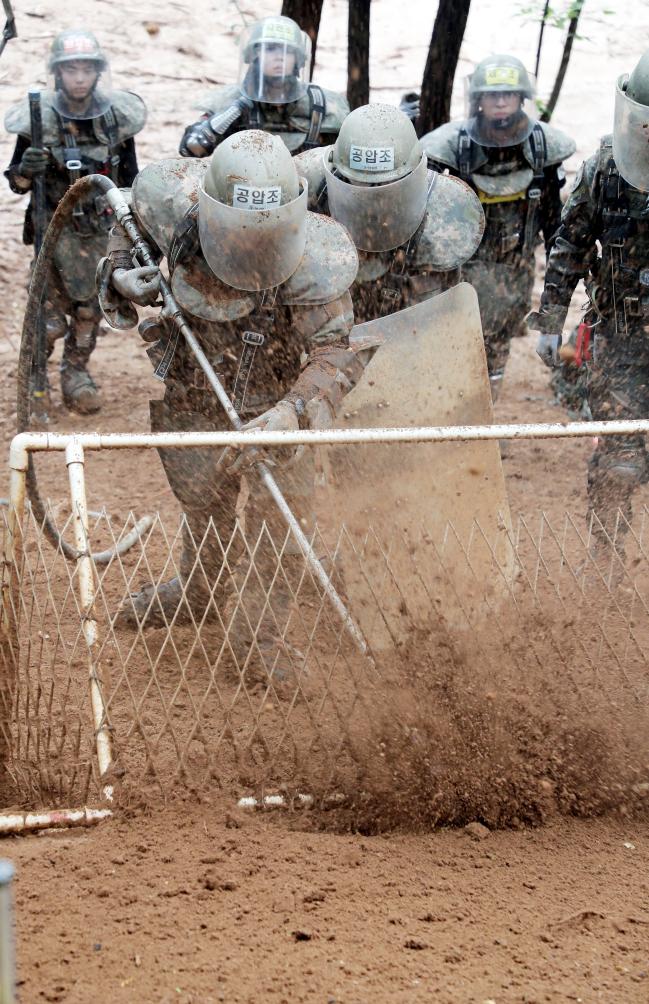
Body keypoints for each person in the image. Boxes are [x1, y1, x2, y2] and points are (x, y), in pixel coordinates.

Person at [99, 131, 360, 679]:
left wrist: (294, 411)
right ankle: (199, 592)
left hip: (278, 398)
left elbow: (337, 354)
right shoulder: (172, 206)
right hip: (198, 382)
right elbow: (127, 222)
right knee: (203, 497)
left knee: (281, 520)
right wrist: (122, 277)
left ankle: (257, 638)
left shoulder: (316, 261)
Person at [530, 51, 649, 548]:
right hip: (619, 338)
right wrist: (551, 318)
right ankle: (604, 559)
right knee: (618, 457)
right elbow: (571, 243)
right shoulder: (605, 167)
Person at [4, 28, 146, 414]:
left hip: (98, 234)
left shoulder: (116, 120)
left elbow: (130, 180)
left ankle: (76, 374)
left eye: (86, 69)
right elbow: (17, 183)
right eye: (71, 70)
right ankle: (35, 381)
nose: (79, 77)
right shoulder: (39, 119)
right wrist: (24, 170)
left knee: (88, 313)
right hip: (53, 232)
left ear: (98, 72)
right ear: (57, 74)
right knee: (48, 318)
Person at [420, 54, 575, 400]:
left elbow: (558, 234)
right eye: (492, 94)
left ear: (521, 98)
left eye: (508, 93)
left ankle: (484, 420)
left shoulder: (542, 150)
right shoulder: (452, 148)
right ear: (478, 100)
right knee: (454, 349)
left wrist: (553, 316)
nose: (501, 101)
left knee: (494, 350)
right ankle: (451, 413)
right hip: (458, 274)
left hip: (513, 276)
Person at [294, 102, 485, 324]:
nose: (373, 197)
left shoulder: (440, 216)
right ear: (339, 173)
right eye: (362, 184)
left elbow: (445, 319)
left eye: (384, 186)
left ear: (411, 176)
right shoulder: (308, 187)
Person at [179, 15, 348, 159]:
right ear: (255, 54)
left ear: (298, 58)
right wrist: (234, 111)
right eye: (271, 49)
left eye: (287, 51)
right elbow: (192, 148)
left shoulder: (322, 104)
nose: (279, 57)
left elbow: (348, 156)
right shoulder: (229, 100)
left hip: (307, 192)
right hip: (243, 187)